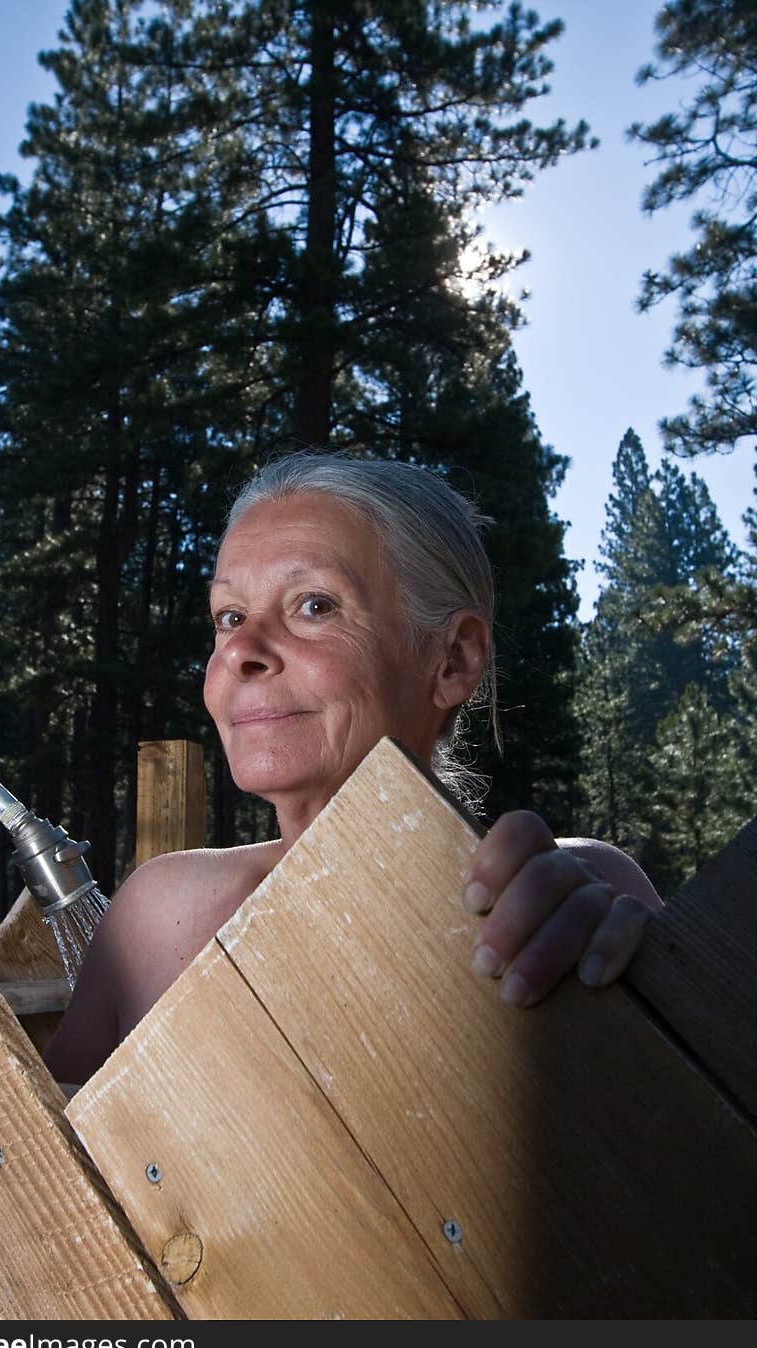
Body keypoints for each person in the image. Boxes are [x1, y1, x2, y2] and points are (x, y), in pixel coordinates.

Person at [43, 452, 662, 1086]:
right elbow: (33, 1163)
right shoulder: (154, 913)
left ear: (453, 659)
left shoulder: (575, 896)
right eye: (229, 617)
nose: (241, 652)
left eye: (314, 606)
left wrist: (645, 1003)